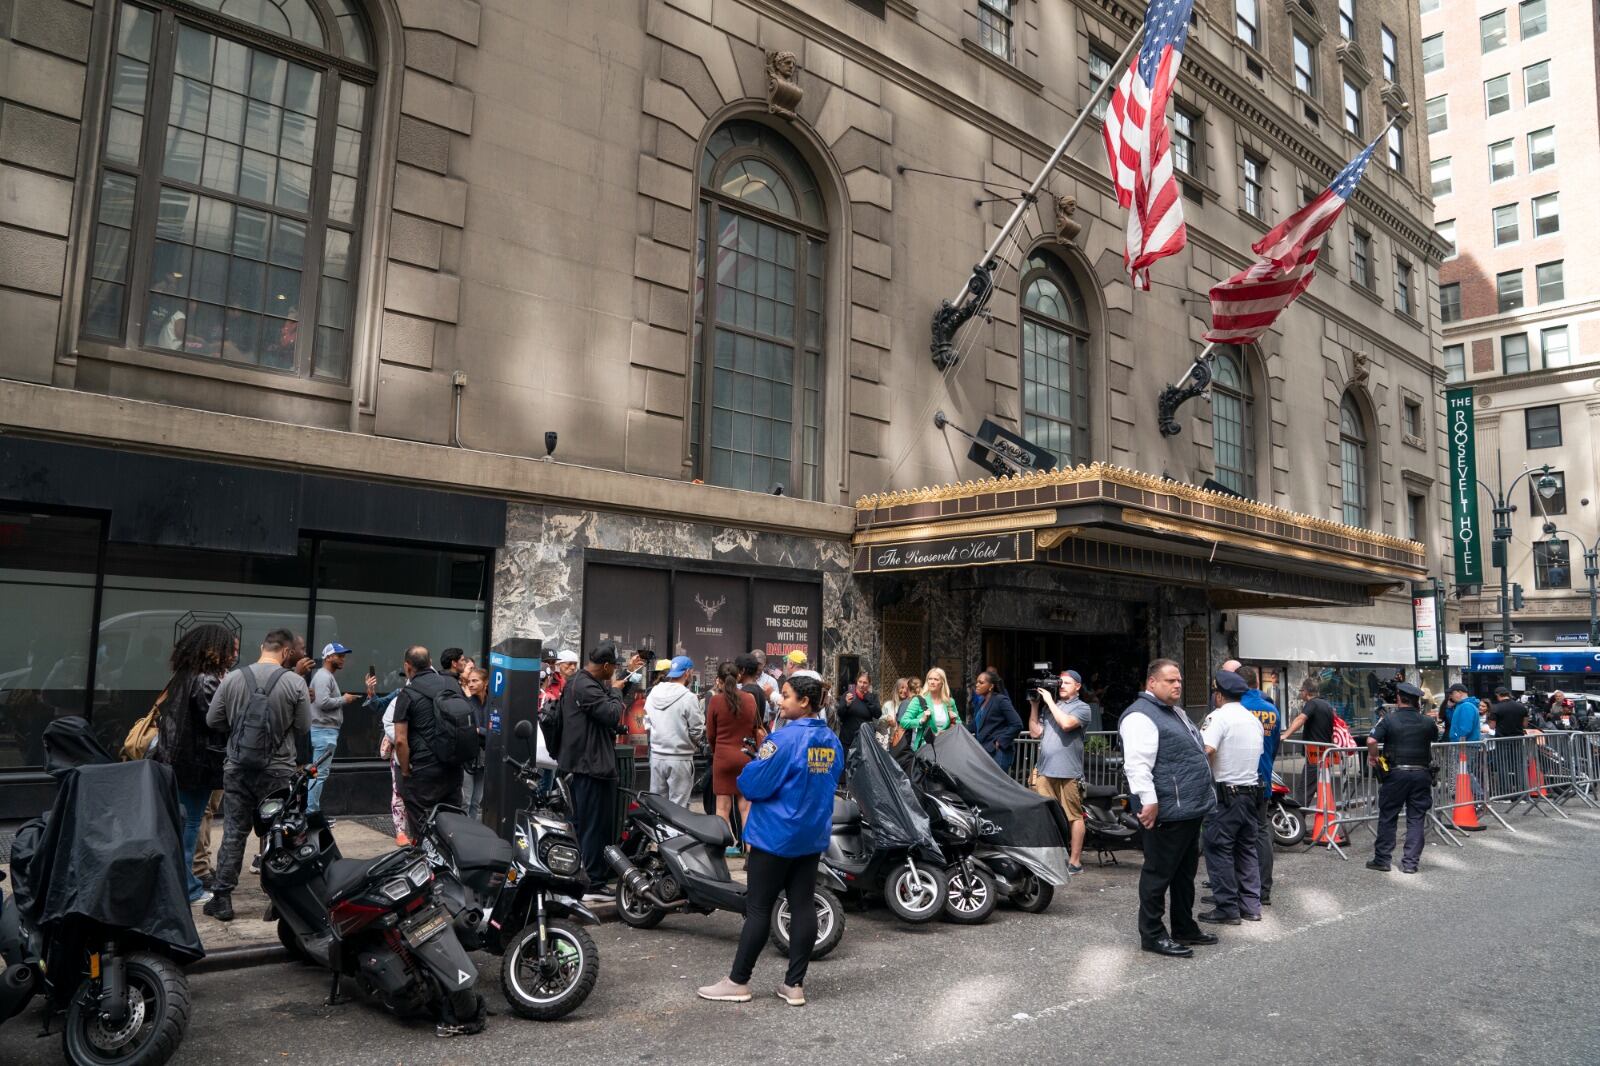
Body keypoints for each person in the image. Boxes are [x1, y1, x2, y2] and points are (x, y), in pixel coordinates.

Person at [697, 672, 843, 1007]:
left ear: (804, 702)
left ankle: (738, 980)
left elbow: (753, 786)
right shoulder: (831, 741)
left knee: (759, 907)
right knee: (802, 904)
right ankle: (794, 985)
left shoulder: (783, 739)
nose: (781, 700)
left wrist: (753, 765)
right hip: (810, 834)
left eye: (787, 695)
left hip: (775, 835)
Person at [203, 628, 312, 922]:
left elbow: (213, 719)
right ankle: (277, 900)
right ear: (287, 652)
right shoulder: (294, 683)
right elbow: (303, 727)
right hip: (278, 770)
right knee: (277, 832)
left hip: (237, 768)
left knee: (234, 832)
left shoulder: (234, 678)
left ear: (263, 647)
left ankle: (222, 898)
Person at [1119, 659, 1217, 958]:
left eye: (1179, 680)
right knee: (1158, 874)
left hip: (1188, 808)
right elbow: (1137, 764)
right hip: (1166, 811)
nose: (1177, 685)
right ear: (1151, 683)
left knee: (1184, 874)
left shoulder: (1174, 711)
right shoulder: (1140, 717)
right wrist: (1148, 801)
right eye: (1170, 681)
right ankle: (1152, 934)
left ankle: (1184, 926)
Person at [150, 623, 236, 905]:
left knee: (180, 822)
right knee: (189, 825)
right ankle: (187, 887)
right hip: (195, 764)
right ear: (214, 650)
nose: (233, 654)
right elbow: (218, 721)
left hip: (174, 760)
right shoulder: (206, 680)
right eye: (229, 649)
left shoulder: (183, 676)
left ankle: (181, 882)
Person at [557, 643, 628, 899]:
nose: (615, 672)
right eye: (614, 667)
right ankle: (592, 883)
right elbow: (610, 714)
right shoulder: (585, 685)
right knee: (593, 826)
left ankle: (582, 877)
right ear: (607, 666)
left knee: (584, 824)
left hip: (585, 765)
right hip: (590, 767)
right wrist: (617, 693)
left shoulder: (579, 682)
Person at [1198, 670, 1265, 925]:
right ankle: (1251, 905)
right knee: (1247, 849)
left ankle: (1226, 906)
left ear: (1218, 694)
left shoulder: (1218, 718)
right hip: (1250, 793)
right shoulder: (1253, 720)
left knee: (1219, 849)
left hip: (1226, 794)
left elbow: (1206, 750)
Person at [391, 645, 470, 841]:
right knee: (452, 825)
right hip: (452, 768)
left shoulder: (407, 694)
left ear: (408, 667)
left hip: (423, 772)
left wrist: (405, 771)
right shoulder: (452, 685)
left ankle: (426, 863)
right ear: (431, 663)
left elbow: (400, 740)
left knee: (422, 827)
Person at [1365, 682, 1439, 874]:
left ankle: (1382, 860)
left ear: (1398, 698)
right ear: (1417, 701)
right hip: (1422, 773)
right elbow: (1435, 737)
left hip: (1396, 774)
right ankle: (1410, 864)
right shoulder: (1428, 722)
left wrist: (1373, 756)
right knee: (1416, 818)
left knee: (1388, 815)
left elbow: (1372, 740)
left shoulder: (1389, 720)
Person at [1223, 660, 1279, 907]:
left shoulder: (1236, 709)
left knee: (1234, 836)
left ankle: (1238, 890)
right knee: (1261, 831)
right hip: (1263, 778)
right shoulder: (1271, 710)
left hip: (1237, 780)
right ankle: (1263, 889)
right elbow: (1276, 746)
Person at [1030, 670, 1089, 875]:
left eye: (1067, 683)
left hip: (1069, 772)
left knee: (1074, 816)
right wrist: (1036, 706)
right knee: (1048, 816)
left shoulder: (1082, 708)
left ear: (1078, 687)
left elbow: (1066, 724)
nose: (1061, 686)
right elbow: (1035, 732)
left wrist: (1049, 701)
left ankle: (1075, 862)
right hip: (1045, 770)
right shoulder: (1050, 708)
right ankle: (1053, 858)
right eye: (1059, 682)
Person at [707, 661, 762, 854]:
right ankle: (750, 852)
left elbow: (711, 735)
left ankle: (722, 850)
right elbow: (755, 729)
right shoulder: (750, 699)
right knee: (746, 808)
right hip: (744, 756)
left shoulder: (715, 701)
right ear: (739, 676)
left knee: (722, 808)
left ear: (719, 680)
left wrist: (717, 751)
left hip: (722, 757)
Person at [307, 641, 362, 815]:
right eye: (339, 656)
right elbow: (323, 703)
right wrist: (345, 699)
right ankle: (311, 813)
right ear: (328, 657)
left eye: (343, 656)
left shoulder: (325, 676)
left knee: (317, 773)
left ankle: (311, 810)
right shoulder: (324, 676)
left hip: (325, 731)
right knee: (318, 775)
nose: (343, 659)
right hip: (324, 731)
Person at [643, 655, 705, 808]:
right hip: (680, 757)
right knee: (678, 807)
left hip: (657, 756)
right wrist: (691, 742)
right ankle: (674, 833)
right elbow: (697, 730)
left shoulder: (654, 693)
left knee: (657, 805)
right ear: (687, 673)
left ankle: (658, 832)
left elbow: (647, 721)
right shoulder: (689, 697)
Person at [1283, 678, 1336, 808]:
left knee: (1304, 791)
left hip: (1315, 755)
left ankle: (1297, 821)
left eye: (1301, 690)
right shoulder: (1327, 705)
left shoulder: (1312, 704)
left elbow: (1301, 718)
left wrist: (1285, 735)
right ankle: (1326, 819)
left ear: (1306, 691)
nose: (1300, 693)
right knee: (1323, 788)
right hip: (1324, 755)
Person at [898, 667, 960, 751]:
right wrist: (921, 720)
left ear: (942, 682)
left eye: (936, 679)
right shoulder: (919, 700)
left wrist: (953, 723)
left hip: (945, 748)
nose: (932, 682)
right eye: (930, 679)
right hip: (925, 749)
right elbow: (903, 722)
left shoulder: (949, 702)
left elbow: (959, 724)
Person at [972, 670, 1022, 771]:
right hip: (984, 752)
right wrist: (956, 725)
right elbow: (974, 726)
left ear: (991, 686)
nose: (977, 685)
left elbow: (1017, 724)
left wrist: (1000, 742)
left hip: (999, 753)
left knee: (996, 786)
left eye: (981, 683)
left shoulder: (1000, 700)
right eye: (977, 682)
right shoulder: (981, 702)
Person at [460, 666, 490, 819]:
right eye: (469, 681)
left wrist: (481, 731)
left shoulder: (494, 704)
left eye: (475, 681)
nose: (470, 684)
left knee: (477, 801)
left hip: (486, 757)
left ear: (486, 682)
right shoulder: (467, 702)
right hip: (469, 756)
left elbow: (497, 733)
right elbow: (470, 729)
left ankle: (472, 829)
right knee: (466, 800)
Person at [834, 671, 881, 754]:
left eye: (865, 683)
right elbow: (840, 714)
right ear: (856, 682)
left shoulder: (872, 697)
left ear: (869, 684)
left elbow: (877, 714)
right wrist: (847, 704)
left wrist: (867, 698)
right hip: (848, 739)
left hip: (864, 740)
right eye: (860, 682)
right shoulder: (848, 695)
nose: (862, 685)